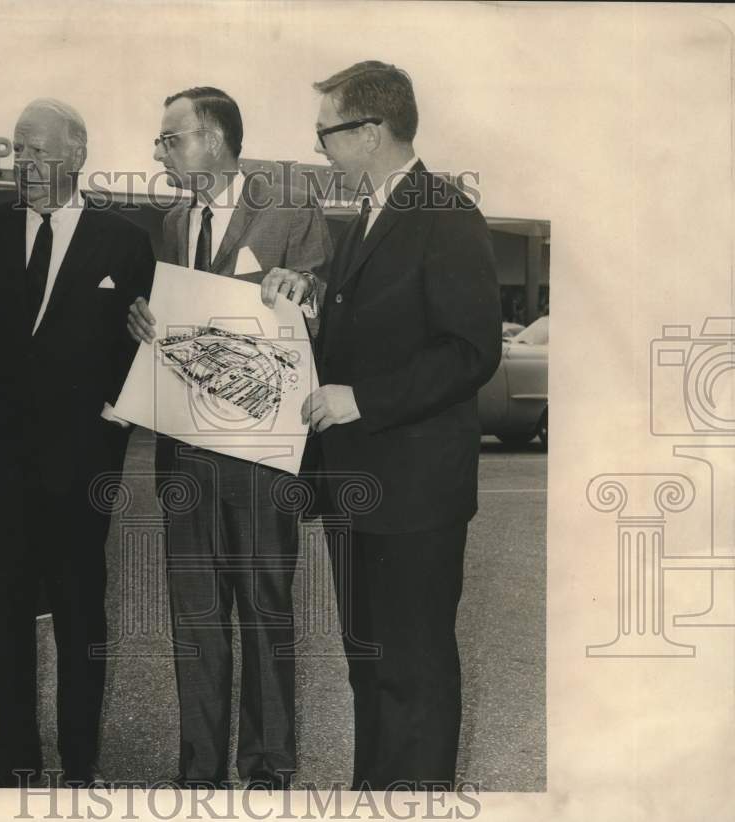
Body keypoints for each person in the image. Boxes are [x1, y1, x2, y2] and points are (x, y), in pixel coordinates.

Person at [295, 61, 502, 791]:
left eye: (326, 131)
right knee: (369, 666)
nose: (318, 145)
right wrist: (308, 306)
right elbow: (376, 332)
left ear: (371, 131)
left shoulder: (445, 213)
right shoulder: (366, 219)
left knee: (412, 671)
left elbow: (471, 349)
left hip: (414, 496)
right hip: (361, 488)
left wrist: (364, 400)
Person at [0, 98, 155, 788]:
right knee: (2, 614)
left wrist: (115, 418)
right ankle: (14, 759)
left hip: (81, 469)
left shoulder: (124, 240)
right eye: (16, 150)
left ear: (75, 155)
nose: (22, 163)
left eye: (35, 150)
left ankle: (82, 760)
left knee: (80, 615)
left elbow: (138, 355)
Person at [127, 86, 333, 789]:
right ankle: (200, 771)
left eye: (171, 138)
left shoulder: (288, 207)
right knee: (195, 618)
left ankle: (269, 770)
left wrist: (302, 286)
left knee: (266, 613)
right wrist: (145, 322)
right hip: (185, 451)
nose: (161, 151)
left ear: (214, 139)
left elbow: (329, 299)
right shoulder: (175, 221)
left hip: (262, 458)